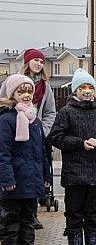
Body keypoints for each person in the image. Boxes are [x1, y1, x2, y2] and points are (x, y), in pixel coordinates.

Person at [47, 70, 96, 245]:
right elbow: (56, 137)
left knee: (93, 211)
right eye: (82, 88)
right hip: (74, 172)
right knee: (74, 210)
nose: (87, 91)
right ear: (75, 91)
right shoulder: (66, 112)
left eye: (90, 87)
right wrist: (79, 143)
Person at [0, 74, 47, 245]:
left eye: (29, 91)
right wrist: (6, 177)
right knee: (11, 218)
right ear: (13, 94)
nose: (27, 95)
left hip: (32, 178)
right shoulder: (7, 120)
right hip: (15, 179)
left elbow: (42, 152)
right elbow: (3, 152)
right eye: (22, 91)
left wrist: (45, 176)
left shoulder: (34, 120)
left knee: (29, 217)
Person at [22, 48, 56, 228]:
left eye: (42, 61)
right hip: (17, 136)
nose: (39, 64)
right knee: (21, 173)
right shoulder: (16, 82)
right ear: (27, 61)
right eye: (35, 60)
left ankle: (32, 213)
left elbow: (51, 112)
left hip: (37, 136)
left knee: (36, 173)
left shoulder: (45, 86)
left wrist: (42, 130)